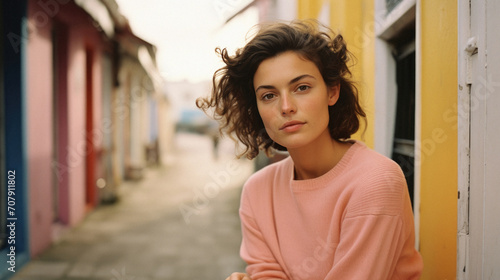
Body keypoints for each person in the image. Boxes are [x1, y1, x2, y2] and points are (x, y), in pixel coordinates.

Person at [197, 20, 423, 280]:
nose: (286, 107)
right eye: (268, 95)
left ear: (332, 91)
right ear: (257, 109)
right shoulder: (258, 190)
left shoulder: (375, 182)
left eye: (301, 87)